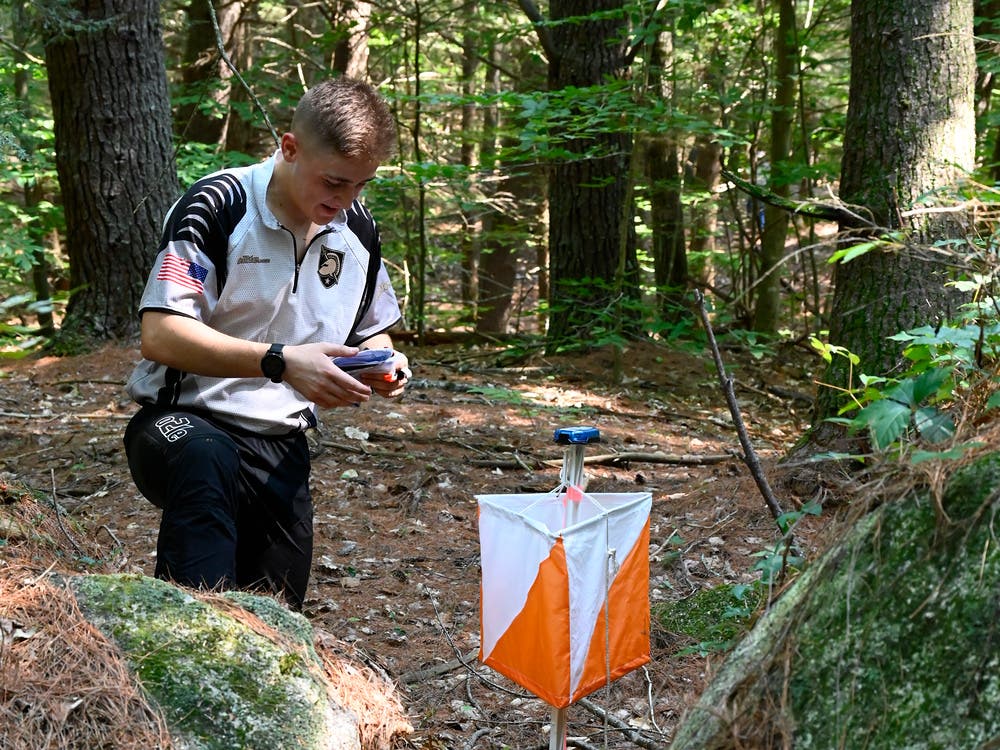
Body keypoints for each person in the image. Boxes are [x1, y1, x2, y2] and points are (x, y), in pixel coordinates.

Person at [123, 77, 408, 611]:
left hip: (280, 444)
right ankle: (180, 653)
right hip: (182, 422)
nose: (344, 200)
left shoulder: (358, 230)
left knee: (277, 618)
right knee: (205, 465)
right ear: (289, 147)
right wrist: (278, 362)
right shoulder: (218, 205)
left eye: (360, 186)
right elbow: (160, 333)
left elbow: (370, 327)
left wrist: (384, 363)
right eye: (333, 182)